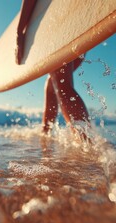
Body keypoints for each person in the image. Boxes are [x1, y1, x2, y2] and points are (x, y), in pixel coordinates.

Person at [16, 0, 89, 135]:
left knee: (61, 83)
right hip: (79, 17)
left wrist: (20, 32)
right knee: (54, 82)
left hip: (61, 18)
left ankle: (86, 143)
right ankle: (46, 132)